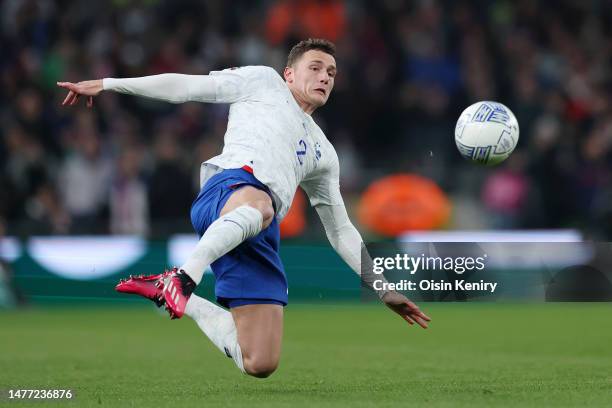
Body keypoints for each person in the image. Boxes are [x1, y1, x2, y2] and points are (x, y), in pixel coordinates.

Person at [57, 38, 431, 378]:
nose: (324, 77)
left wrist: (382, 289)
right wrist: (109, 84)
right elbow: (187, 86)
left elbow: (340, 229)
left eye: (331, 72)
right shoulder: (263, 82)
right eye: (315, 67)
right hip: (228, 190)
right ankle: (183, 277)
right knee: (262, 204)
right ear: (289, 73)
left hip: (260, 232)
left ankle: (178, 297)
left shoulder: (324, 153)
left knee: (260, 362)